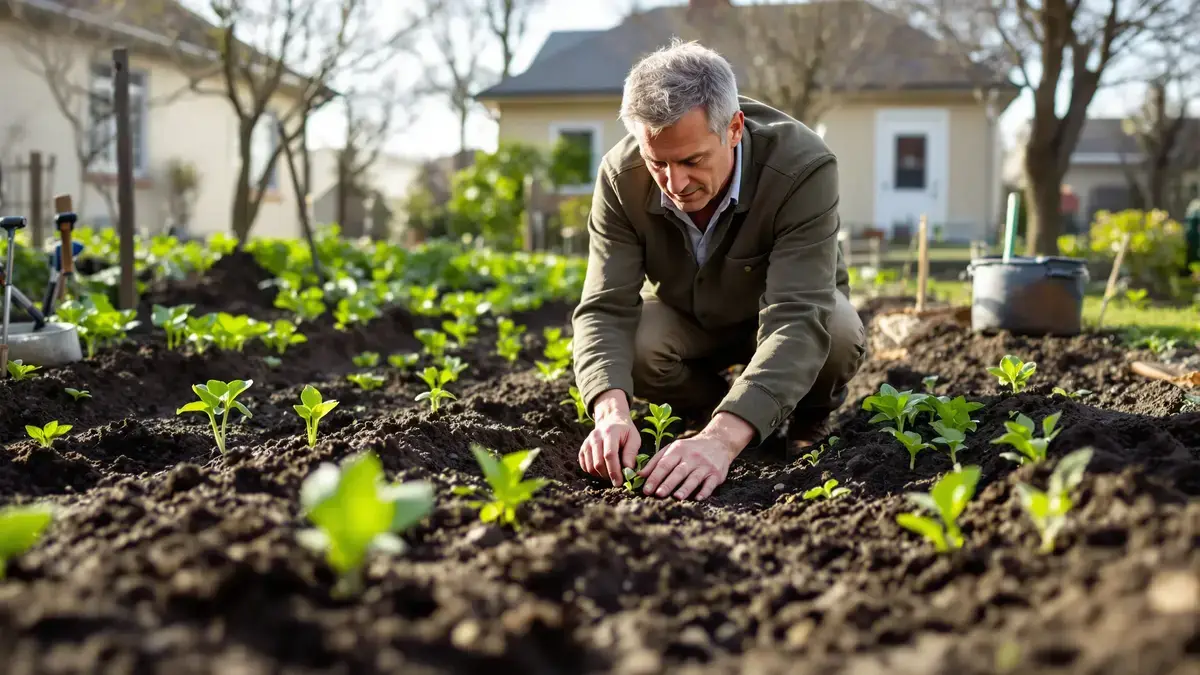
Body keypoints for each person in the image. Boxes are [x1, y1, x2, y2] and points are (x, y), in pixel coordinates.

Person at [570, 40, 867, 502]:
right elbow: (605, 307)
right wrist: (610, 410)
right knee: (638, 344)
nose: (675, 183)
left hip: (782, 317)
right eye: (657, 163)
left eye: (692, 161)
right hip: (691, 318)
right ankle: (710, 409)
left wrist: (721, 442)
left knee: (836, 329)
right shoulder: (619, 177)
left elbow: (799, 314)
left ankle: (807, 419)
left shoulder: (802, 166)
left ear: (734, 129)